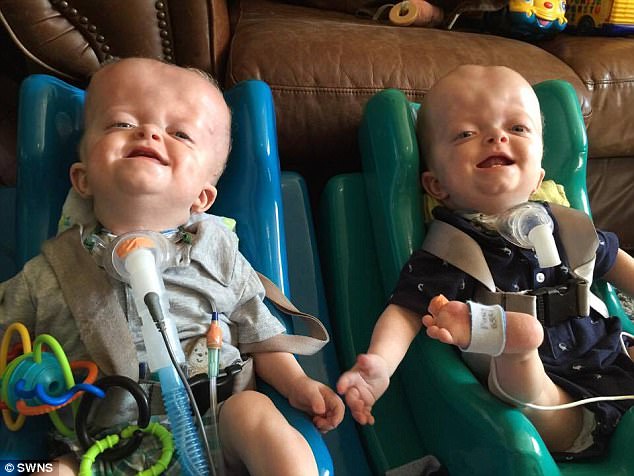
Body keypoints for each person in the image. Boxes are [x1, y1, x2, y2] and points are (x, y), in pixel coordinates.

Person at [0, 57, 344, 475]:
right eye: (121, 123)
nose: (148, 132)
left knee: (255, 413)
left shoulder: (219, 256)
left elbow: (260, 335)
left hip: (214, 431)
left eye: (179, 133)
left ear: (203, 197)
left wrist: (298, 385)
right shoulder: (51, 270)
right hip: (96, 450)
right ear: (83, 178)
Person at [337, 64, 634, 459]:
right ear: (436, 185)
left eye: (517, 128)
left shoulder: (566, 227)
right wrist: (379, 364)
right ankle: (511, 341)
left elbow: (618, 264)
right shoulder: (452, 249)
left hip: (611, 354)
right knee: (538, 401)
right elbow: (406, 312)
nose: (496, 136)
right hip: (554, 395)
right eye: (466, 134)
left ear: (538, 176)